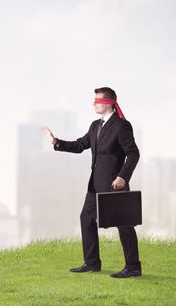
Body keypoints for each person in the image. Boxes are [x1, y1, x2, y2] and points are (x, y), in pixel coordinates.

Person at [41, 87, 142, 278]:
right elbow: (80, 145)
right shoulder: (95, 125)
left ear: (109, 103)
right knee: (86, 219)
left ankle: (133, 267)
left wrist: (122, 177)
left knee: (124, 226)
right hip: (95, 185)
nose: (94, 103)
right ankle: (92, 263)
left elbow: (133, 154)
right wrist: (56, 142)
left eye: (97, 100)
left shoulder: (122, 126)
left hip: (115, 185)